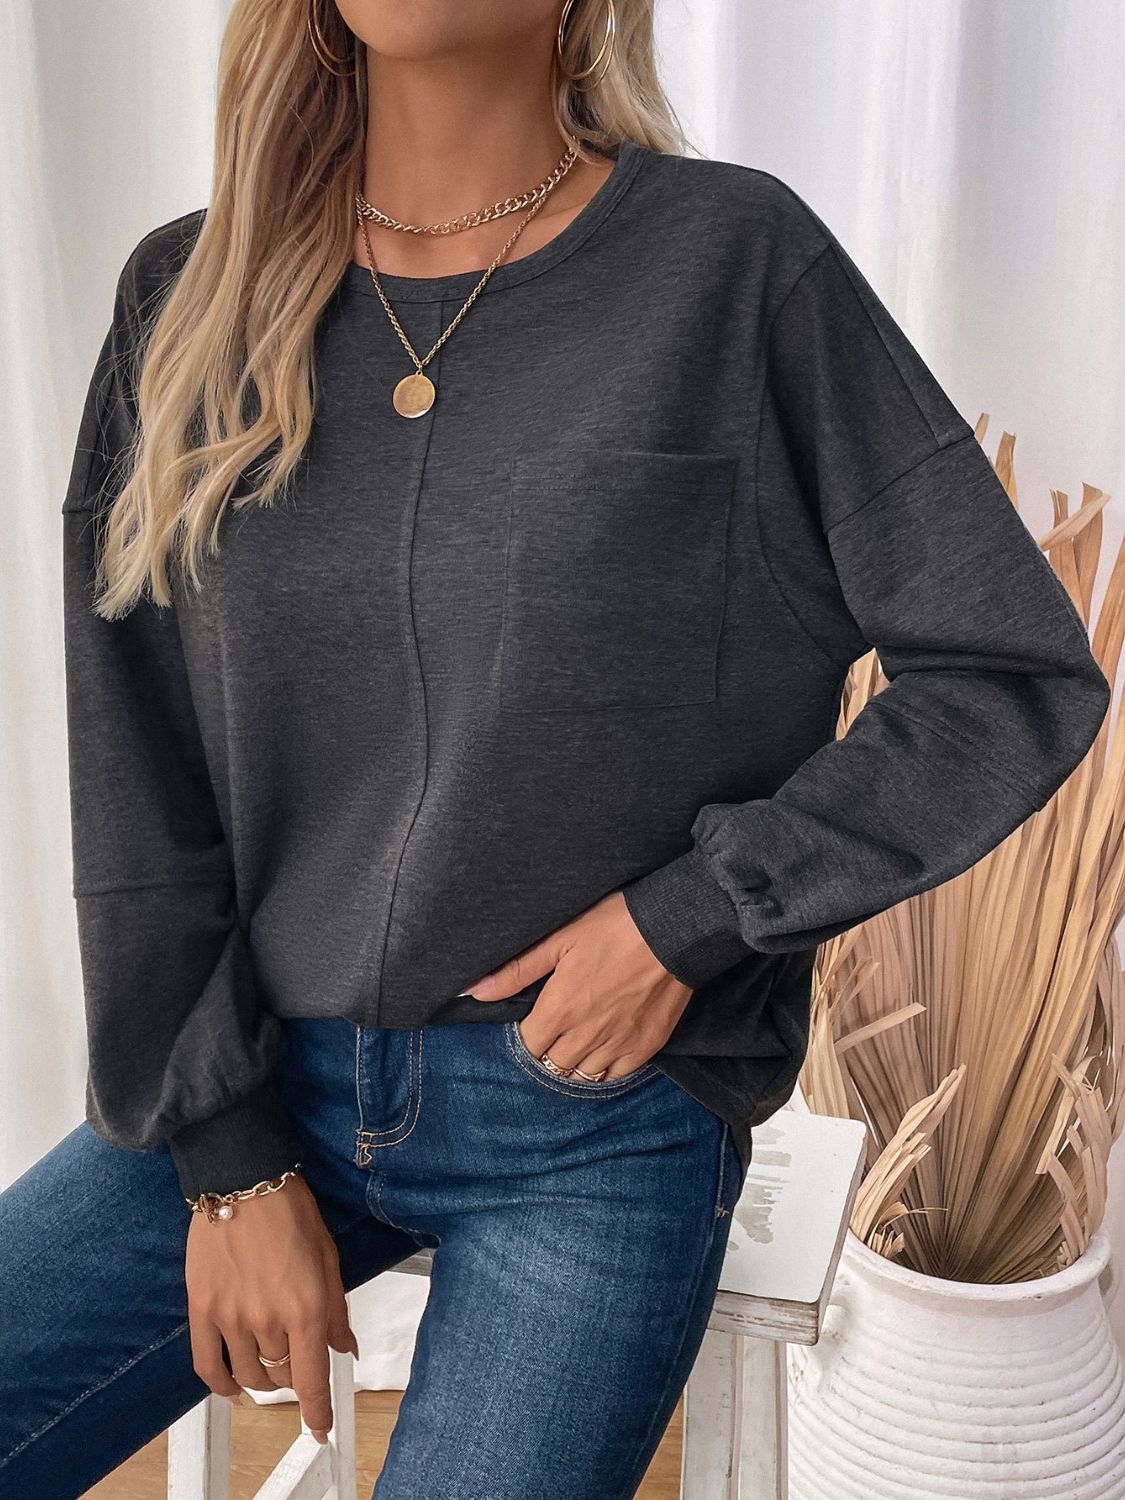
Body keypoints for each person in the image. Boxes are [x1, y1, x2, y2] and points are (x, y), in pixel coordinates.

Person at [0, 2, 1111, 1497]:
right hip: (255, 1073)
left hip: (588, 1111)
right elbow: (138, 774)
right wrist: (229, 1161)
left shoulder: (732, 266)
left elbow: (1005, 668)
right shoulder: (185, 294)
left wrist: (689, 918)